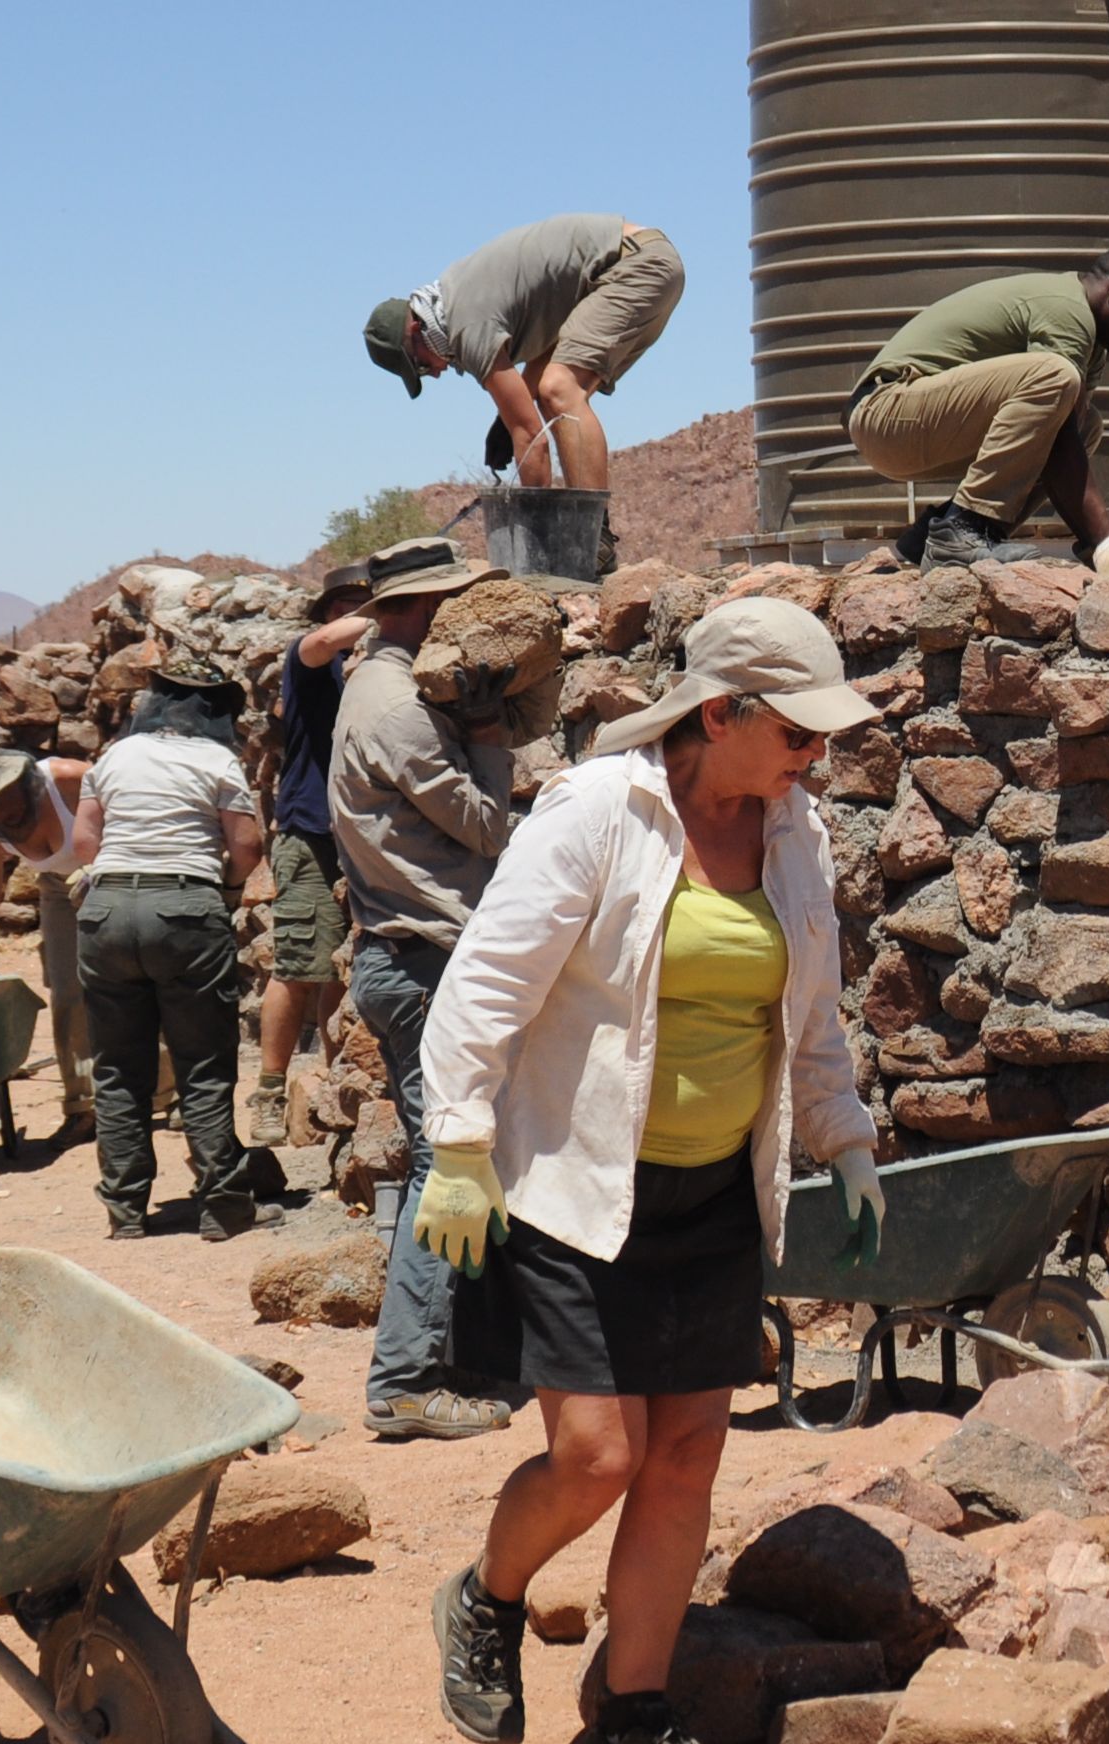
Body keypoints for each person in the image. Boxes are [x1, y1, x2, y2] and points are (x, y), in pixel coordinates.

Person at [419, 596, 886, 1744]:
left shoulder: (794, 831)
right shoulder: (596, 812)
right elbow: (482, 987)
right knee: (597, 1460)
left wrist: (843, 1138)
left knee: (684, 1462)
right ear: (718, 712)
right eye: (796, 733)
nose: (813, 757)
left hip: (713, 1196)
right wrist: (461, 1146)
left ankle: (632, 1724)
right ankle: (486, 1593)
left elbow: (809, 1011)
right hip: (577, 1188)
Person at [333, 536, 528, 1441]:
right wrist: (488, 736)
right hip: (425, 960)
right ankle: (404, 1380)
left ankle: (472, 1354)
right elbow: (486, 827)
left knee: (462, 1157)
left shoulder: (378, 689)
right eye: (449, 599)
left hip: (406, 955)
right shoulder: (398, 707)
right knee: (440, 1168)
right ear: (416, 605)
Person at [70, 648, 274, 1241]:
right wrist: (227, 889)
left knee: (117, 1068)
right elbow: (247, 848)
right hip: (186, 910)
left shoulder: (115, 755)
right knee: (203, 1067)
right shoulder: (219, 761)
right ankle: (223, 1208)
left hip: (106, 911)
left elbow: (86, 839)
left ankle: (126, 1210)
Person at [842, 243, 1109, 571]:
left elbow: (1062, 444)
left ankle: (942, 533)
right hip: (886, 411)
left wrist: (1100, 550)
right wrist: (1107, 541)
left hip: (910, 426)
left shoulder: (1093, 347)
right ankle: (960, 533)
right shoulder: (1067, 309)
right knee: (1055, 376)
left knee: (1087, 426)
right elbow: (1061, 437)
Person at [365, 213, 687, 492]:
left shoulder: (464, 324)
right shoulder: (456, 298)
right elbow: (547, 355)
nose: (435, 373)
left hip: (636, 264)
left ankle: (591, 542)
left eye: (420, 367)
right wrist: (505, 423)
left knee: (559, 390)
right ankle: (589, 539)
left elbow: (532, 438)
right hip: (635, 260)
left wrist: (533, 534)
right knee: (551, 389)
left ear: (416, 331)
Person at [248, 564, 375, 1148]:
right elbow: (322, 644)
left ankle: (334, 1088)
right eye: (344, 606)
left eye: (365, 603)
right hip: (313, 836)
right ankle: (270, 1096)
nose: (355, 614)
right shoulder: (308, 663)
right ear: (327, 614)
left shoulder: (382, 674)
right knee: (300, 966)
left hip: (369, 839)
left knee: (343, 971)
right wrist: (379, 614)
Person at [0, 739, 96, 1134]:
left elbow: (137, 813)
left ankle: (167, 1093)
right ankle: (83, 1106)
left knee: (134, 978)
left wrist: (106, 869)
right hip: (59, 889)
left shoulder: (68, 780)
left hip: (115, 873)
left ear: (16, 779)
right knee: (67, 992)